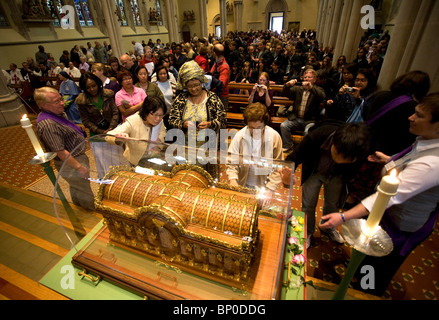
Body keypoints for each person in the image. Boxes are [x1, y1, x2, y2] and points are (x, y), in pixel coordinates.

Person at [320, 92, 439, 296]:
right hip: (385, 215)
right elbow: (411, 162)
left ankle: (362, 292)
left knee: (377, 267)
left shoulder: (433, 163)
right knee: (367, 259)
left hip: (399, 224)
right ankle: (358, 279)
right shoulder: (426, 141)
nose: (411, 117)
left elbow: (389, 196)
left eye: (419, 115)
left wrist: (343, 216)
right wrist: (389, 159)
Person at [281, 121, 374, 248]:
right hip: (314, 172)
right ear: (334, 143)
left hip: (338, 176)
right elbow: (294, 157)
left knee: (333, 203)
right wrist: (288, 173)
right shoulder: (319, 135)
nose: (340, 161)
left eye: (346, 160)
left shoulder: (360, 149)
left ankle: (328, 227)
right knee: (308, 204)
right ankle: (307, 231)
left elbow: (356, 171)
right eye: (337, 154)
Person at [34, 87, 95, 210]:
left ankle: (81, 208)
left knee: (77, 186)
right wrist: (79, 167)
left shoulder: (56, 114)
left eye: (61, 98)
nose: (62, 103)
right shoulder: (48, 124)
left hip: (74, 158)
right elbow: (61, 152)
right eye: (56, 101)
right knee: (84, 189)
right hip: (70, 162)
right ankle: (92, 213)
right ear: (44, 105)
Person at [227, 102, 283, 203]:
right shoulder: (239, 136)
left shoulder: (274, 137)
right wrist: (233, 179)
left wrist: (270, 189)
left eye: (259, 128)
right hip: (243, 182)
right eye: (252, 128)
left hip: (264, 185)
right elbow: (231, 162)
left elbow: (278, 166)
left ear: (265, 124)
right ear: (247, 125)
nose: (256, 131)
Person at [169, 60, 226, 147]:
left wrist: (210, 124)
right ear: (185, 86)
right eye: (190, 86)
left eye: (196, 85)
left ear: (202, 83)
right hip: (184, 146)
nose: (194, 89)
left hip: (207, 147)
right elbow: (172, 119)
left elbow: (222, 120)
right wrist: (183, 124)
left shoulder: (212, 99)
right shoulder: (180, 99)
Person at [75, 72, 122, 179]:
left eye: (94, 86)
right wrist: (100, 131)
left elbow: (115, 112)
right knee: (103, 162)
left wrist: (111, 127)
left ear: (98, 84)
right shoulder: (81, 101)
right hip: (97, 136)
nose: (92, 89)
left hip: (112, 131)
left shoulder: (108, 94)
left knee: (116, 159)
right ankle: (106, 184)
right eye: (88, 87)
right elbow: (86, 121)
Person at [106, 95, 167, 166]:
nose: (158, 119)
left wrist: (158, 141)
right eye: (155, 115)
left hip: (152, 159)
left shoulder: (160, 120)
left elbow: (162, 131)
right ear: (146, 111)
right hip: (134, 162)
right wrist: (119, 138)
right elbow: (109, 136)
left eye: (161, 115)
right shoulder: (133, 121)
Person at [280, 68, 326, 152]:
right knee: (284, 126)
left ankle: (303, 150)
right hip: (296, 118)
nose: (307, 79)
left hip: (310, 120)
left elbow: (322, 97)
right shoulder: (298, 89)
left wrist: (311, 88)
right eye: (305, 77)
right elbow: (285, 93)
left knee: (307, 132)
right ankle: (288, 145)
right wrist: (287, 85)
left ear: (314, 79)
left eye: (309, 77)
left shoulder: (318, 90)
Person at [211, 43, 230, 109]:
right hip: (214, 94)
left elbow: (221, 84)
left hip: (221, 96)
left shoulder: (224, 66)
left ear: (214, 53)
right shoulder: (216, 63)